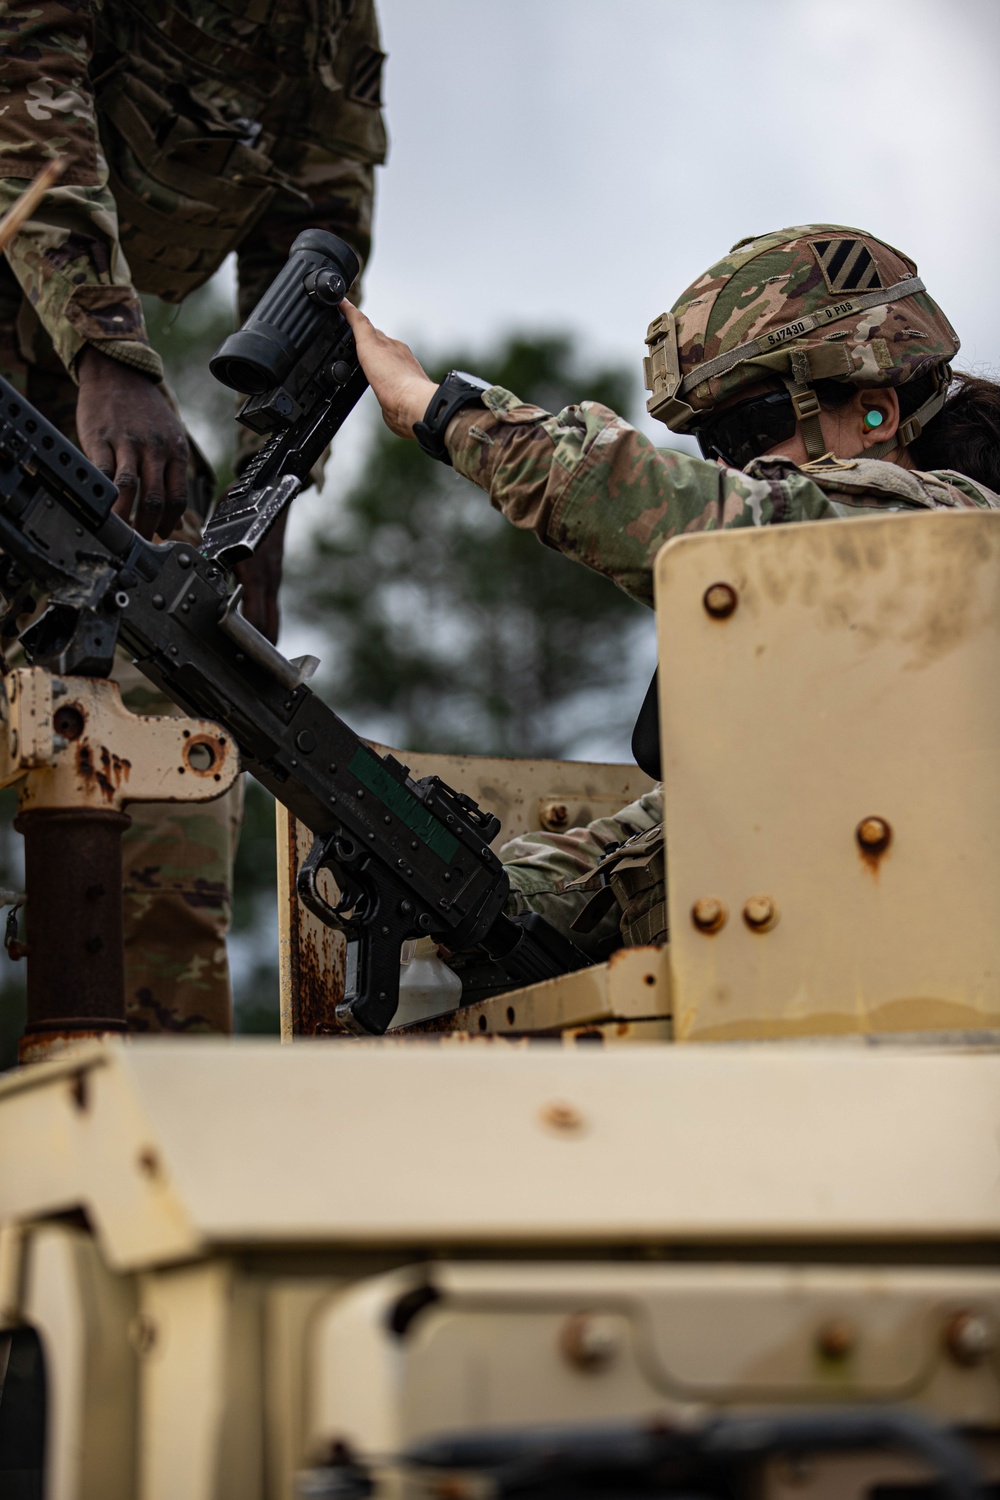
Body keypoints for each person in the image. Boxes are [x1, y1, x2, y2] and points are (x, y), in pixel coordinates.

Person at [342, 224, 1000, 957]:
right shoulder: (849, 646)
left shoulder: (952, 534)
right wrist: (467, 890)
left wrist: (440, 411)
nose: (732, 467)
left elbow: (714, 519)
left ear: (875, 410)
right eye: (711, 448)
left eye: (751, 430)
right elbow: (660, 837)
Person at [0, 0, 386, 1030]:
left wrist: (263, 500)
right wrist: (111, 356)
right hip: (87, 370)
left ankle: (152, 1124)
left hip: (83, 408)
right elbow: (24, 95)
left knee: (174, 723)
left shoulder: (330, 19)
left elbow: (318, 235)